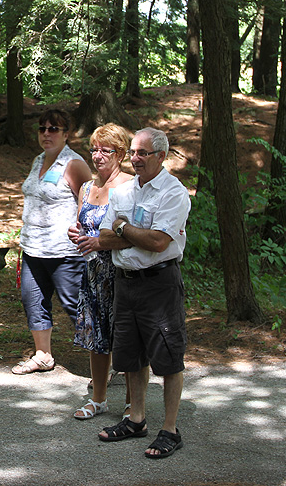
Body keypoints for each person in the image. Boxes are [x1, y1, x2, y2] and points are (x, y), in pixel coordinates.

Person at [96, 127, 191, 460]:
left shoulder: (173, 193)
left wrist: (123, 228)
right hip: (126, 282)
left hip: (159, 284)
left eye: (142, 153)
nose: (134, 159)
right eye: (133, 153)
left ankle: (170, 429)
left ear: (161, 157)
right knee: (131, 354)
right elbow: (103, 239)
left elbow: (158, 242)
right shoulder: (123, 191)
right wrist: (131, 234)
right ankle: (136, 419)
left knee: (167, 356)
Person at [13, 109, 93, 375]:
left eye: (53, 129)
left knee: (75, 305)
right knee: (33, 301)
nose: (46, 134)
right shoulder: (38, 160)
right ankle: (42, 355)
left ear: (66, 134)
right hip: (33, 249)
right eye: (42, 129)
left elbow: (91, 200)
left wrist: (85, 233)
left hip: (65, 251)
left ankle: (109, 359)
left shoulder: (73, 164)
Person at [67, 124, 134, 419]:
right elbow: (83, 224)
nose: (97, 155)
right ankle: (98, 398)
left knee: (127, 337)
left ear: (120, 153)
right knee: (96, 336)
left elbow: (138, 234)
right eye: (94, 149)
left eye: (105, 150)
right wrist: (76, 231)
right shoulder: (86, 188)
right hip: (92, 274)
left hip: (122, 273)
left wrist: (101, 242)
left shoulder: (132, 186)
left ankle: (134, 401)